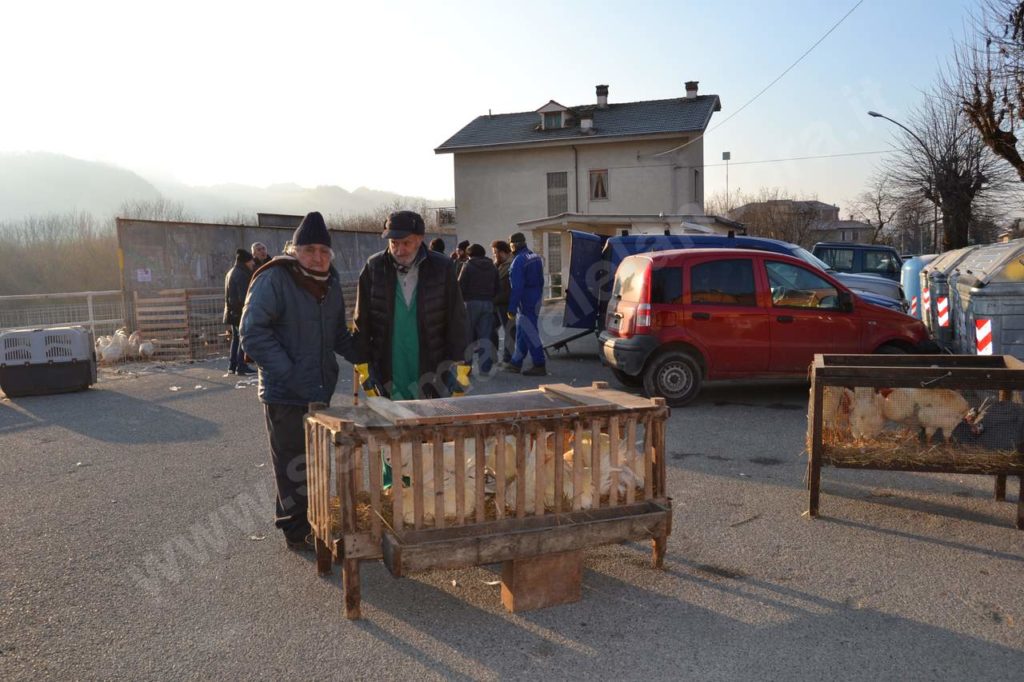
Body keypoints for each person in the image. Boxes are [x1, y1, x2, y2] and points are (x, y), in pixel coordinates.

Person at [240, 211, 359, 553]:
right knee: (293, 464)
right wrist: (289, 373)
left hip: (319, 388)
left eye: (324, 251)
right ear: (294, 250)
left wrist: (368, 351)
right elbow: (253, 333)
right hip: (284, 392)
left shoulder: (330, 283)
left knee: (317, 460)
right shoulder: (274, 279)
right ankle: (296, 530)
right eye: (310, 250)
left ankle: (317, 521)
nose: (317, 257)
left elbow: (338, 335)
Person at [354, 210, 468, 400]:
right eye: (393, 244)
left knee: (429, 422)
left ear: (420, 239)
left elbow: (457, 318)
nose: (399, 250)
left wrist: (461, 363)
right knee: (393, 422)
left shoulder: (442, 268)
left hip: (431, 362)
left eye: (405, 243)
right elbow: (362, 321)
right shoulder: (374, 267)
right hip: (388, 363)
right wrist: (363, 364)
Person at [505, 232, 547, 376]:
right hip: (535, 298)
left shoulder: (518, 261)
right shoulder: (535, 257)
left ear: (513, 245)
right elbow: (541, 280)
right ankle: (515, 363)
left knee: (529, 332)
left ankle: (539, 363)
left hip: (525, 301)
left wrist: (511, 307)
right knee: (522, 333)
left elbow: (517, 287)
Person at [458, 243, 499, 373]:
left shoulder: (468, 266)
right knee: (485, 336)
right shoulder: (492, 266)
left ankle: (466, 368)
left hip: (470, 303)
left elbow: (459, 286)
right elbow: (498, 287)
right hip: (488, 303)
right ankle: (485, 368)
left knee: (467, 336)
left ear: (470, 255)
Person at [223, 248, 255, 375]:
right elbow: (244, 296)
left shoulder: (231, 272)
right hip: (239, 312)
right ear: (246, 261)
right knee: (242, 338)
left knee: (236, 338)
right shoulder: (242, 274)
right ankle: (241, 366)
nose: (253, 263)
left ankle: (232, 365)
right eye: (251, 261)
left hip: (232, 311)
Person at [490, 239, 515, 364]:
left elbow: (510, 288)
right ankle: (493, 357)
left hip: (505, 303)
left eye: (496, 252)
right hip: (496, 303)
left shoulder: (511, 265)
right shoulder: (498, 264)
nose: (494, 255)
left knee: (509, 332)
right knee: (490, 328)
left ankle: (508, 358)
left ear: (503, 252)